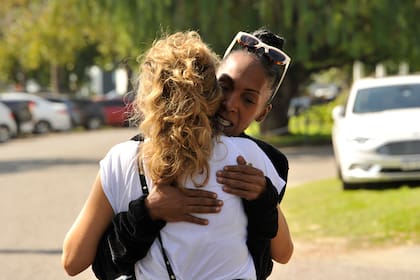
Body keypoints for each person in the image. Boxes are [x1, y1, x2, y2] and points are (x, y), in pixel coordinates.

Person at [62, 31, 286, 280]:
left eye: (247, 99)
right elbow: (283, 252)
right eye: (224, 87)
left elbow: (73, 261)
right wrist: (147, 213)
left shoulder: (124, 160)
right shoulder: (249, 158)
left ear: (148, 96)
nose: (230, 104)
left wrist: (146, 212)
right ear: (211, 91)